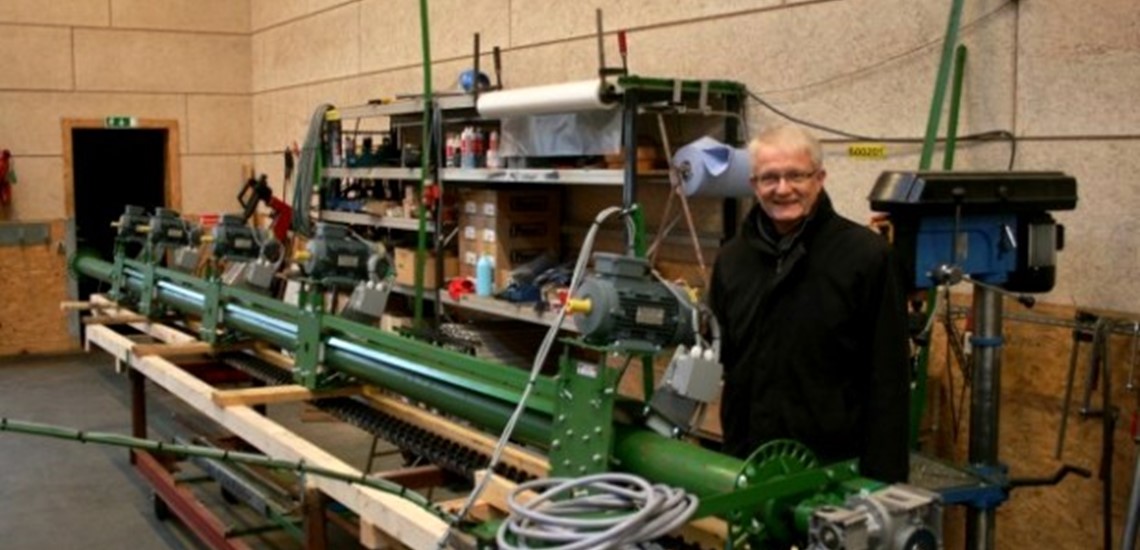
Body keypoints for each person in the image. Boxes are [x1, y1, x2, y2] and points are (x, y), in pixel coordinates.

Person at [707, 124, 910, 483]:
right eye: (770, 178)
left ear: (819, 179)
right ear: (754, 185)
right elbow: (724, 356)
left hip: (833, 465)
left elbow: (888, 377)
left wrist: (883, 482)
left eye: (796, 175)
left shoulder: (866, 256)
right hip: (748, 460)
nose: (783, 189)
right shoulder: (731, 260)